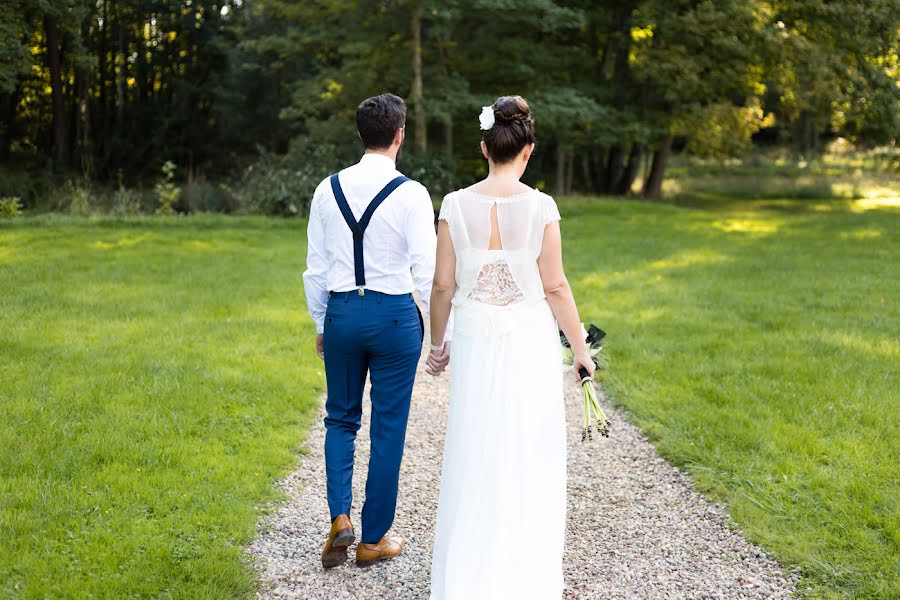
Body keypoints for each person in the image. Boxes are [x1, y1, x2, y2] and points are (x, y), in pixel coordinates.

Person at [426, 95, 594, 598]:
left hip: (476, 336)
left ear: (485, 149)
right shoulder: (542, 207)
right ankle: (522, 571)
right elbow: (556, 286)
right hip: (528, 339)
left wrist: (439, 342)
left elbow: (441, 285)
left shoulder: (454, 205)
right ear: (528, 151)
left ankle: (468, 571)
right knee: (525, 446)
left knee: (475, 441)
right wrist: (580, 349)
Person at [302, 93, 451, 569]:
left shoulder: (327, 190)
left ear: (361, 134)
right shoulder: (410, 193)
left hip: (344, 313)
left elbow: (316, 268)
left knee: (341, 418)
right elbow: (427, 272)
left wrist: (322, 323)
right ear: (399, 135)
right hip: (393, 320)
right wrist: (439, 338)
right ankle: (373, 539)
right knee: (388, 427)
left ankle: (339, 517)